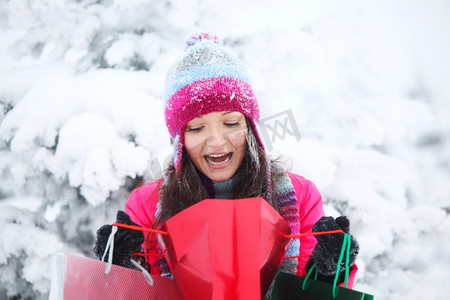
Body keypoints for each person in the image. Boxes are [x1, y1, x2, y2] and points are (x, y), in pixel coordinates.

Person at [94, 32, 358, 293]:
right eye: (196, 128)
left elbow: (311, 291)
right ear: (179, 141)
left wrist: (329, 273)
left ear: (251, 128)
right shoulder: (147, 205)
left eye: (231, 123)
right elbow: (136, 292)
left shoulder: (300, 196)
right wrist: (123, 272)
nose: (216, 141)